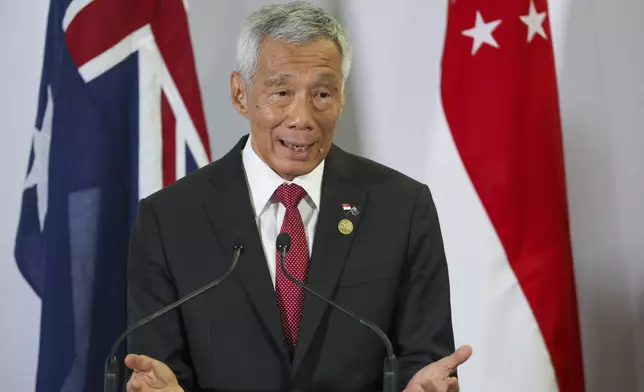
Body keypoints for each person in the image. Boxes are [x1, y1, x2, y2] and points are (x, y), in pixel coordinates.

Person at [125, 2, 472, 391]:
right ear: (240, 94)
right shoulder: (170, 218)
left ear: (341, 97)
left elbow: (422, 359)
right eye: (282, 92)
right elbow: (159, 368)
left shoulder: (402, 208)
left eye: (322, 93)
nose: (302, 117)